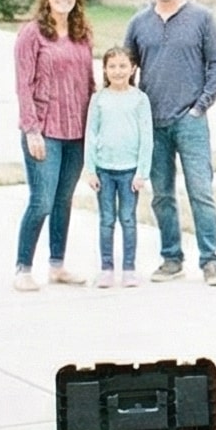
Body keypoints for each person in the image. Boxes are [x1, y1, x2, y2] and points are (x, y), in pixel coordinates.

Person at [126, 0, 216, 284]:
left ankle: (211, 261)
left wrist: (200, 106)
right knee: (162, 195)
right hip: (153, 123)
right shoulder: (139, 23)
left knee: (201, 191)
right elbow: (125, 69)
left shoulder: (201, 18)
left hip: (191, 120)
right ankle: (171, 258)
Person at [11, 0, 97, 292]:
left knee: (64, 200)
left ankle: (57, 266)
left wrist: (95, 130)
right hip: (44, 130)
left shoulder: (81, 33)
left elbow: (88, 83)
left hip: (77, 131)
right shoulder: (31, 34)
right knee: (42, 201)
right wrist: (31, 129)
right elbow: (23, 85)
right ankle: (23, 268)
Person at [86, 46, 154, 288]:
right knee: (106, 220)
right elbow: (91, 134)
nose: (117, 71)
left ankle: (129, 269)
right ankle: (106, 268)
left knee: (127, 218)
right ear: (104, 69)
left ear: (133, 68)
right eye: (112, 66)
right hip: (104, 170)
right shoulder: (99, 99)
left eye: (123, 66)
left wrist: (142, 173)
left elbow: (147, 137)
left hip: (129, 172)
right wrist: (90, 168)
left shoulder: (139, 99)